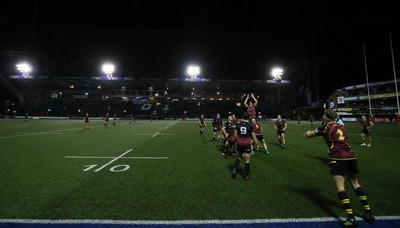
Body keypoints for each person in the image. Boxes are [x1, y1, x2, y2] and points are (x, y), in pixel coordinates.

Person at [303, 109, 375, 227]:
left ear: (326, 117)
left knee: (340, 187)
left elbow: (309, 135)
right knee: (356, 184)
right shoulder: (341, 126)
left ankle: (351, 218)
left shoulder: (325, 127)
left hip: (338, 158)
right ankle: (369, 212)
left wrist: (306, 133)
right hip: (351, 156)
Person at [231, 112, 260, 180]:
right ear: (249, 117)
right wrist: (258, 144)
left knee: (238, 157)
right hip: (247, 144)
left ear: (243, 117)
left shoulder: (238, 124)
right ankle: (247, 176)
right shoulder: (250, 125)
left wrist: (238, 139)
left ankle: (235, 169)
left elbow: (235, 134)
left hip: (240, 143)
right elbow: (254, 136)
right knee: (247, 160)